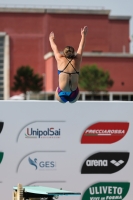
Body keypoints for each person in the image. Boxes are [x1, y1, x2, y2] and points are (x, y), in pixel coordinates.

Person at [49, 26, 88, 103]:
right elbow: (81, 47)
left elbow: (54, 47)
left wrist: (51, 39)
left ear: (64, 53)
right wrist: (83, 35)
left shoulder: (60, 58)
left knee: (61, 98)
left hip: (61, 92)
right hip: (74, 93)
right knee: (72, 101)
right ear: (73, 53)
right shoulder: (77, 59)